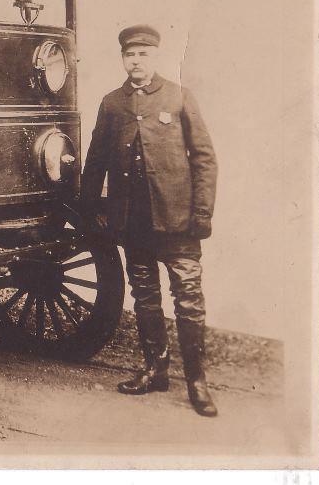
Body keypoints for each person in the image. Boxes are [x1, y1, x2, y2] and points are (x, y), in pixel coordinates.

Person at [81, 25, 219, 417]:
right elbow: (95, 161)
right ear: (123, 59)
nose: (136, 61)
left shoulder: (178, 97)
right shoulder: (112, 103)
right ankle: (155, 370)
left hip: (178, 223)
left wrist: (202, 214)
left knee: (189, 300)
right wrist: (90, 210)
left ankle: (197, 381)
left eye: (143, 54)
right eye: (130, 55)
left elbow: (205, 160)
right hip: (133, 222)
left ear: (155, 56)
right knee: (145, 297)